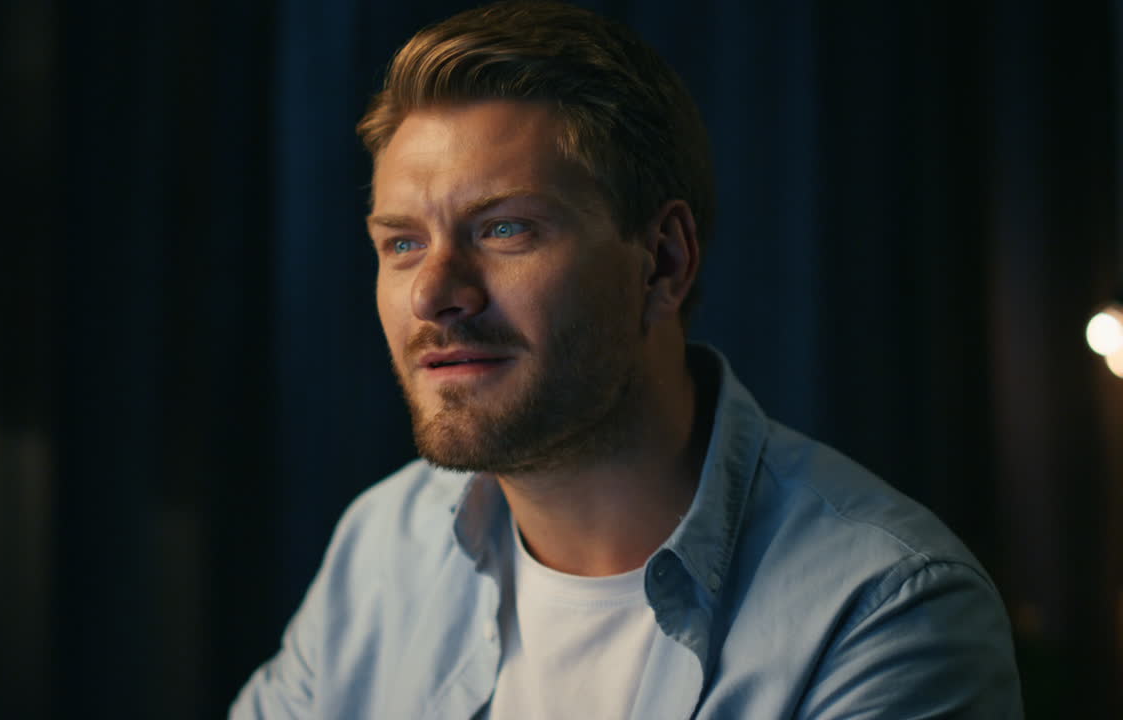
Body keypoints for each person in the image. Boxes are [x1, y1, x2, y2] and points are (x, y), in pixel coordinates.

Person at [232, 2, 1023, 717]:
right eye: (403, 243)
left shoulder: (885, 612)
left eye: (505, 229)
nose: (433, 295)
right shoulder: (381, 546)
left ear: (664, 261)